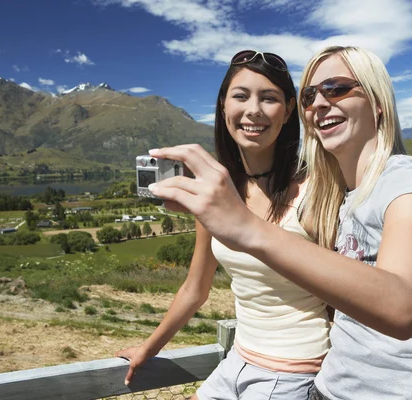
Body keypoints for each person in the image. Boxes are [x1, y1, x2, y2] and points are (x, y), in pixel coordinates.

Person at [148, 45, 412, 400]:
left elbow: (401, 308)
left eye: (337, 88)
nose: (319, 103)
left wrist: (247, 228)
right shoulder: (348, 196)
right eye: (311, 95)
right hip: (327, 386)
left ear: (378, 102)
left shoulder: (408, 183)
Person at [116, 50, 332, 400]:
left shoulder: (314, 189)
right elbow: (195, 288)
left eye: (269, 98)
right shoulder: (218, 191)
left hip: (295, 372)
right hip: (237, 362)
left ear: (289, 110)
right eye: (241, 96)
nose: (253, 110)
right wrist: (149, 347)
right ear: (222, 106)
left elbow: (343, 287)